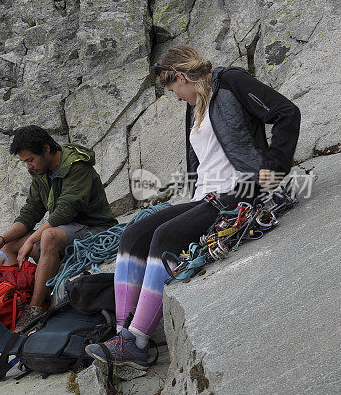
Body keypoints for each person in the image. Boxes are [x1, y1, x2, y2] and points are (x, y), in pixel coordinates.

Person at [84, 45, 300, 370]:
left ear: (182, 76)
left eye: (173, 88)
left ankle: (137, 342)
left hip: (239, 192)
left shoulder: (231, 83)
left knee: (164, 238)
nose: (174, 96)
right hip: (204, 196)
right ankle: (123, 335)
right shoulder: (195, 103)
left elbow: (286, 113)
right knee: (133, 235)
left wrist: (272, 170)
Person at [0, 125, 118, 329]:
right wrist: (2, 239)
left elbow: (64, 212)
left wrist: (31, 240)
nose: (29, 166)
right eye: (25, 162)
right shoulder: (41, 172)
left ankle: (35, 309)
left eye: (30, 160)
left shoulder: (76, 167)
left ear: (46, 149)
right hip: (67, 233)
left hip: (96, 231)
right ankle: (19, 299)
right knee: (8, 247)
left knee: (48, 236)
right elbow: (30, 213)